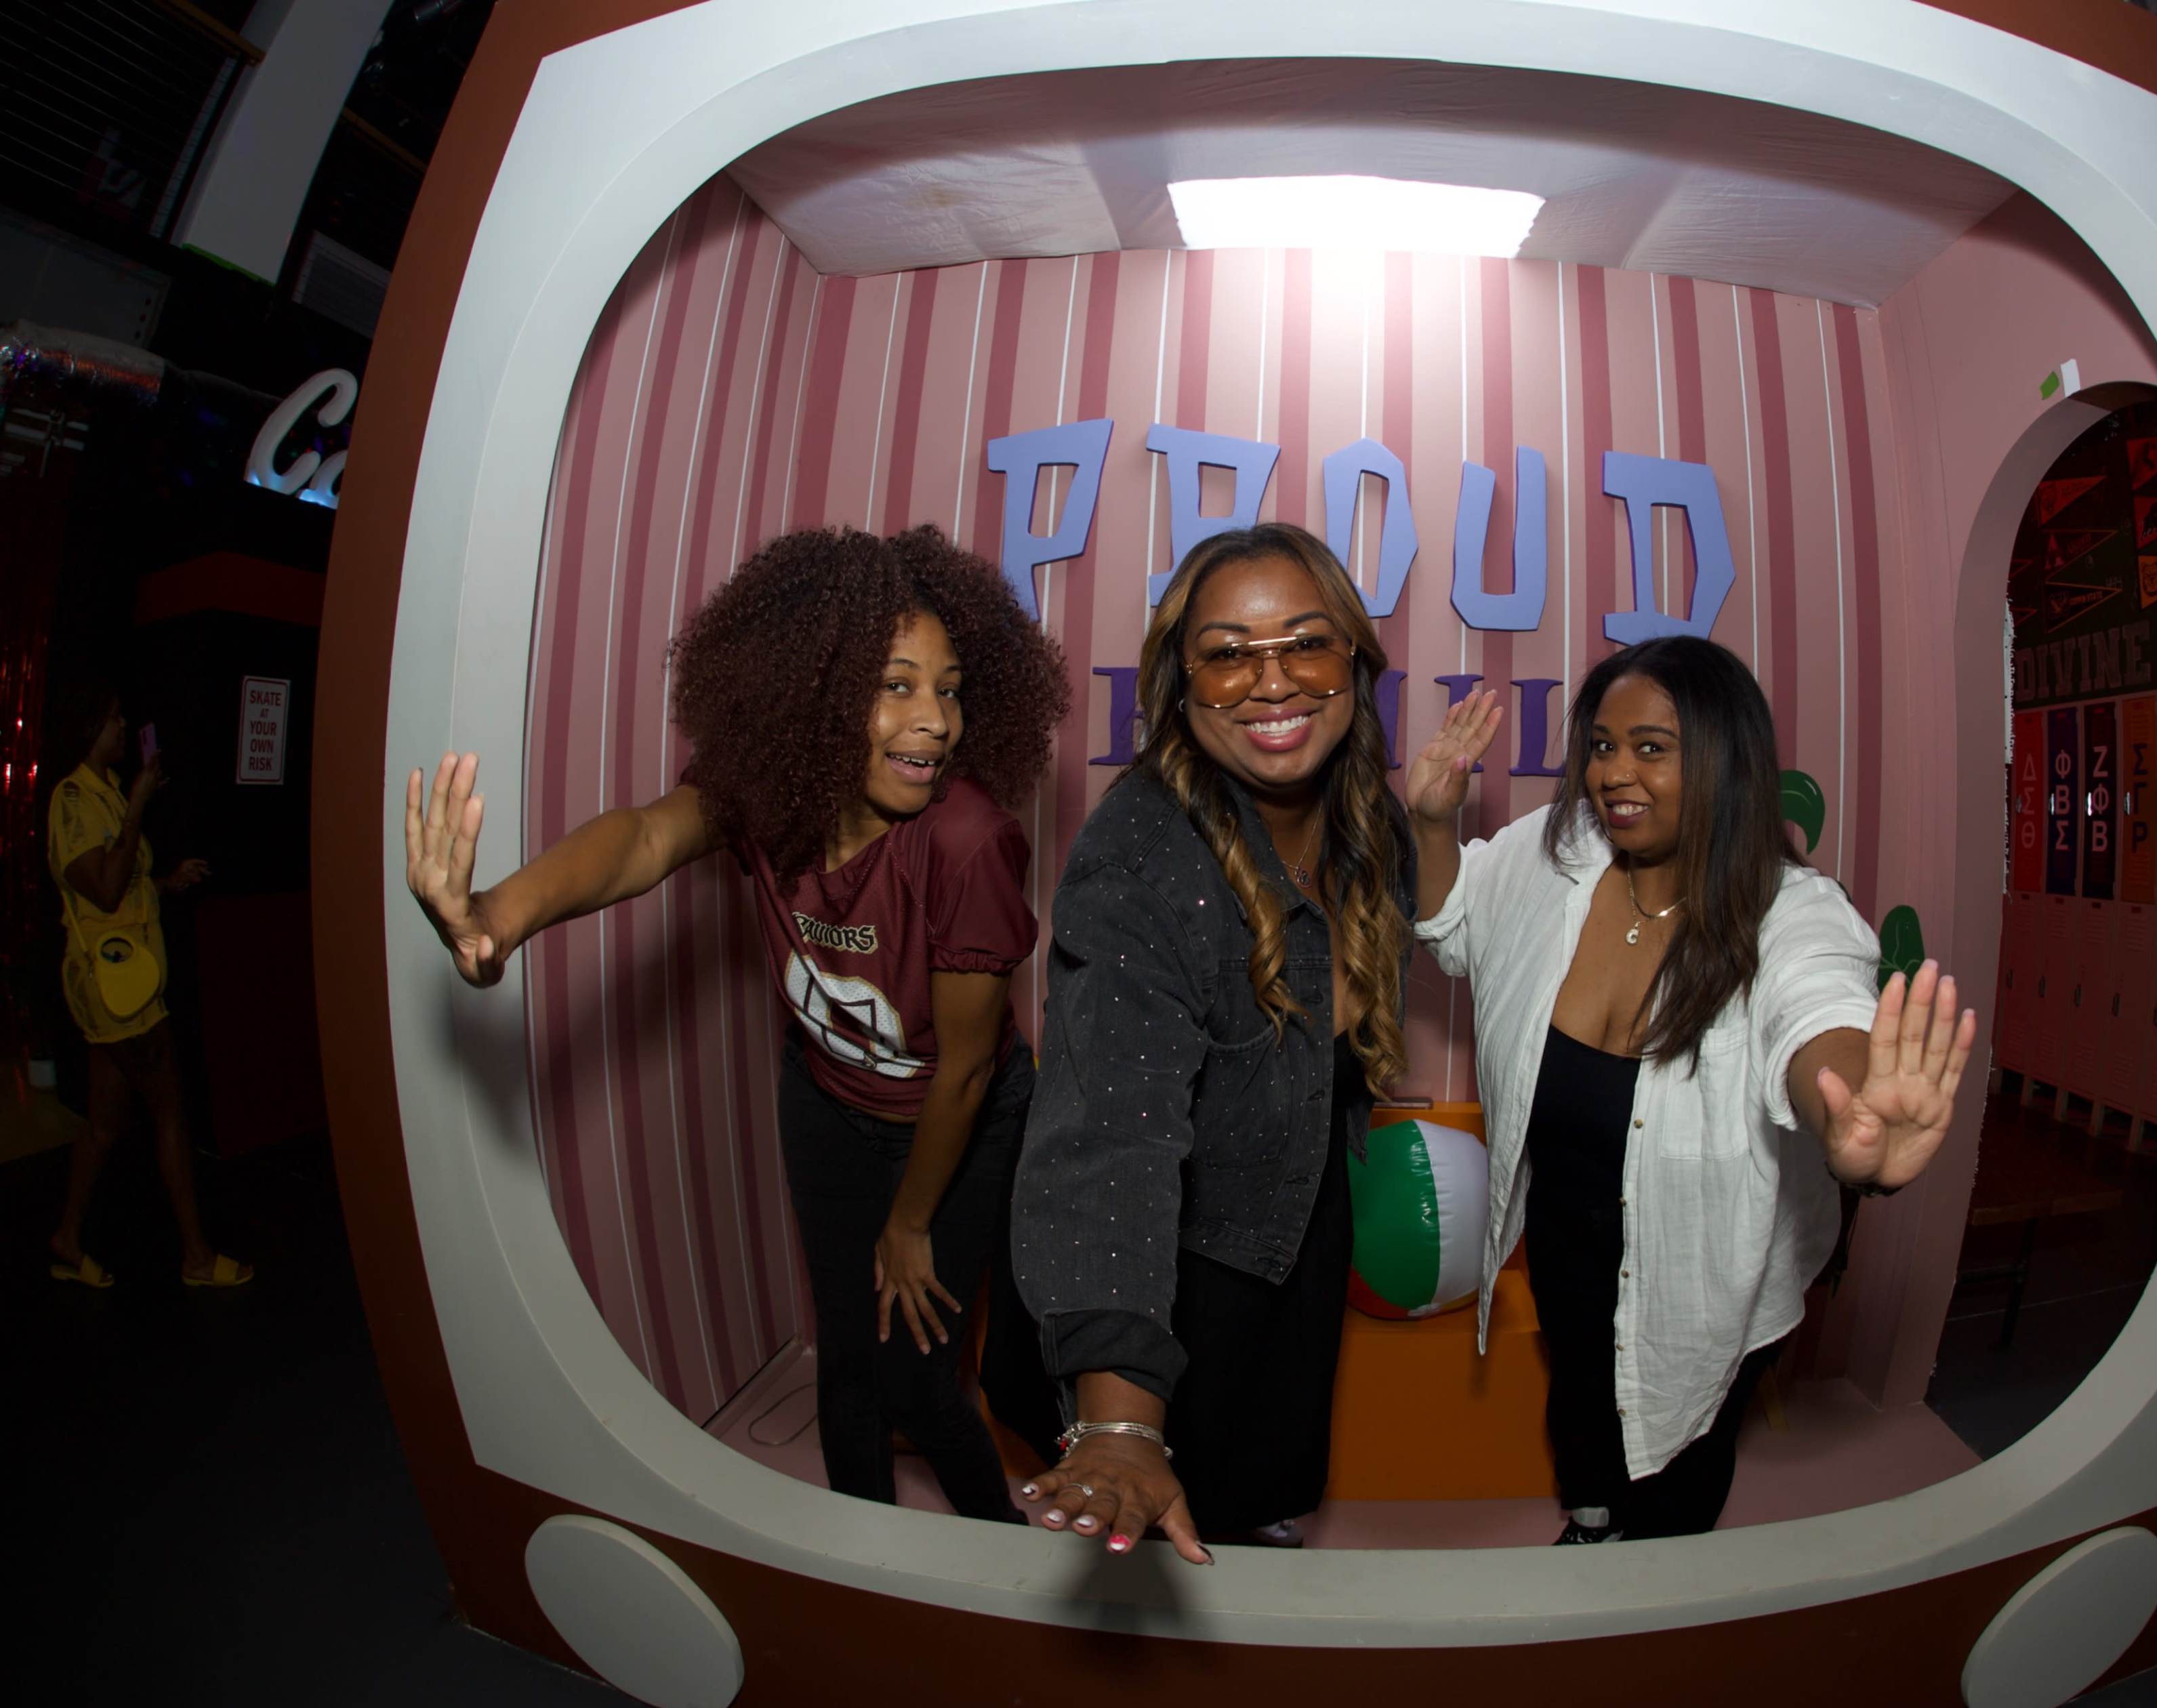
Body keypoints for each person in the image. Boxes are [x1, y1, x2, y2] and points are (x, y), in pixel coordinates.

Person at [402, 525, 1067, 1520]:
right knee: (846, 1359)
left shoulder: (968, 842)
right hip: (829, 1095)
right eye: (896, 685)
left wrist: (910, 1220)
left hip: (957, 1124)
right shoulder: (767, 786)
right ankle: (864, 1562)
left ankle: (999, 1557)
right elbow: (643, 835)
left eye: (951, 687)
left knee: (924, 1383)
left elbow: (966, 1068)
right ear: (816, 689)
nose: (934, 721)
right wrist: (499, 913)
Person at [1405, 635, 1972, 1542]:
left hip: (1710, 1265)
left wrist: (1855, 1101)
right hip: (1566, 1235)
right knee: (1584, 1397)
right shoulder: (1557, 857)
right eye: (1601, 744)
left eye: (1652, 747)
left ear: (1723, 758)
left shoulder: (1789, 912)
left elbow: (1818, 1006)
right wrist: (1433, 820)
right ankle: (1590, 1516)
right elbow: (1450, 925)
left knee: (1683, 1452)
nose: (1614, 773)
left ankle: (1652, 1583)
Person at [1011, 522, 1414, 1562]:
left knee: (1266, 1488)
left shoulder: (1370, 814)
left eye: (1307, 644)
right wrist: (1120, 1425)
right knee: (1180, 1522)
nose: (1272, 681)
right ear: (1181, 687)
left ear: (1355, 664)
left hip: (1296, 1218)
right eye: (1229, 651)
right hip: (1172, 1268)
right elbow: (1112, 1137)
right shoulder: (1141, 855)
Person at [45, 679, 238, 1289]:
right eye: (112, 720)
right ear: (88, 730)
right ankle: (197, 1258)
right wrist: (137, 804)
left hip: (125, 988)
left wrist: (166, 881)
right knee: (170, 1112)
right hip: (118, 993)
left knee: (104, 1127)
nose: (123, 728)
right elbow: (99, 889)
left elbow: (123, 886)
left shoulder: (100, 791)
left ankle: (67, 1238)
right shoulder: (74, 799)